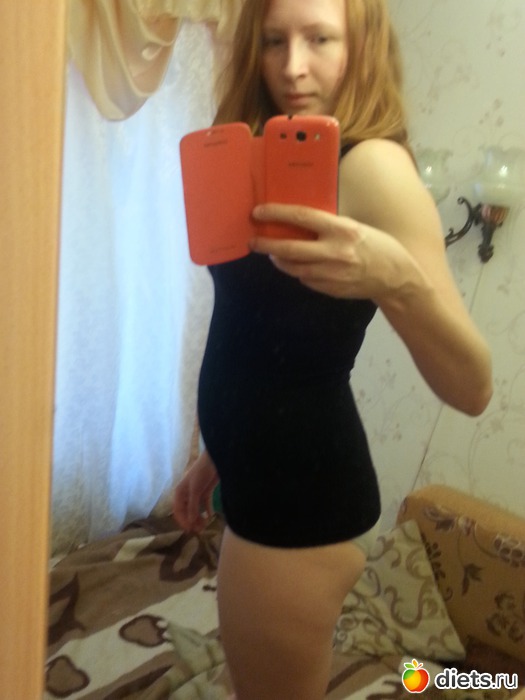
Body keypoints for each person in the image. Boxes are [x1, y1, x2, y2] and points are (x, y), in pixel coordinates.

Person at [173, 1, 493, 698]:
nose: (293, 66)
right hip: (259, 485)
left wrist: (395, 278)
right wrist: (214, 455)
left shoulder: (373, 166)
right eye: (273, 41)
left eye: (319, 38)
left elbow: (473, 389)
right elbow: (258, 330)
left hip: (298, 507)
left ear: (360, 47)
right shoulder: (262, 150)